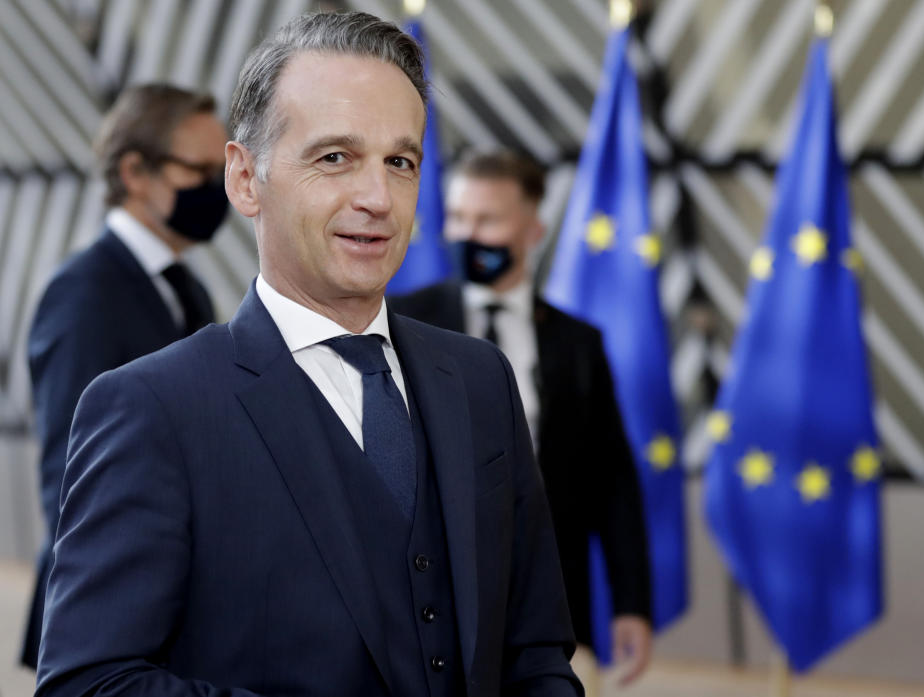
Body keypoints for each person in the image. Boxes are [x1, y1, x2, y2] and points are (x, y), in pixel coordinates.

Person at [36, 11, 582, 697]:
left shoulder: (478, 378)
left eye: (400, 162)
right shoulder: (152, 410)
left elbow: (535, 653)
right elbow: (89, 682)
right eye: (335, 158)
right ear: (243, 179)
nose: (377, 198)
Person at [390, 150, 653, 691]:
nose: (469, 235)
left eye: (487, 220)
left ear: (532, 228)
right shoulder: (399, 321)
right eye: (459, 218)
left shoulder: (578, 344)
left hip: (551, 609)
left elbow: (612, 479)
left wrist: (632, 603)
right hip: (428, 611)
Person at [21, 83, 228, 670]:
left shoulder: (185, 285)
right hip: (117, 609)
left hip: (174, 602)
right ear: (135, 171)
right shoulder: (84, 293)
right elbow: (72, 473)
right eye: (200, 169)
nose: (218, 189)